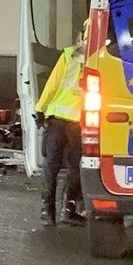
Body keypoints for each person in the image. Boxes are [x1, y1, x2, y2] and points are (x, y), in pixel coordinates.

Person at [34, 22, 87, 226]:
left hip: (56, 117)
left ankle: (47, 212)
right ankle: (69, 209)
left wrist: (40, 109)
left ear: (80, 36)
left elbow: (52, 85)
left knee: (51, 165)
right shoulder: (103, 59)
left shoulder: (68, 55)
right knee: (76, 166)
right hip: (80, 122)